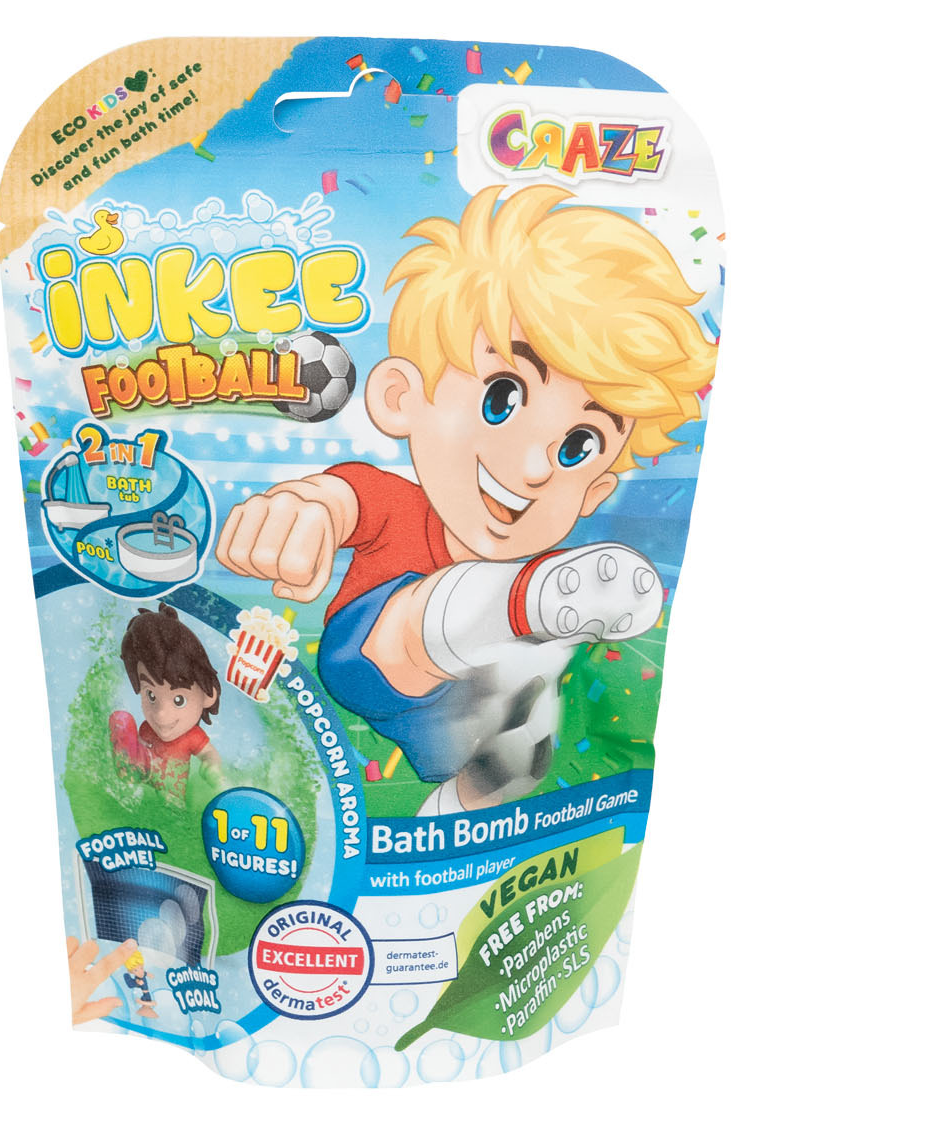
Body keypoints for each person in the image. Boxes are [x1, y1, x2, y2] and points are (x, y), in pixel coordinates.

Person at [216, 185, 714, 813]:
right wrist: (300, 509)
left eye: (578, 446)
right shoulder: (401, 505)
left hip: (456, 717)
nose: (533, 468)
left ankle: (453, 812)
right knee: (459, 611)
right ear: (400, 397)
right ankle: (510, 609)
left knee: (520, 754)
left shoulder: (556, 568)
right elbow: (341, 498)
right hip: (371, 650)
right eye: (502, 397)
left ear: (595, 491)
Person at [117, 604, 223, 802]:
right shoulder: (147, 728)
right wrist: (130, 757)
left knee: (169, 803)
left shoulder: (192, 736)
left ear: (208, 695)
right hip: (147, 787)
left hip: (173, 797)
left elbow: (209, 754)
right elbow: (140, 751)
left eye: (178, 700)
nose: (161, 714)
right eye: (151, 695)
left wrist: (212, 767)